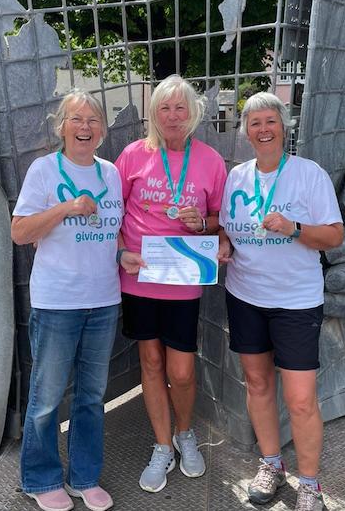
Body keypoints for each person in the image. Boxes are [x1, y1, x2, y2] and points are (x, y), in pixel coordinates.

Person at [217, 92, 344, 511]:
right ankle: (271, 464)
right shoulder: (236, 177)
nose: (263, 129)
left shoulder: (309, 175)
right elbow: (225, 229)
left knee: (302, 398)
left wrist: (293, 228)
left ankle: (309, 484)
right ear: (246, 132)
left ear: (284, 126)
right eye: (255, 123)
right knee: (256, 384)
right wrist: (221, 244)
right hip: (245, 295)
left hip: (295, 301)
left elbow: (333, 236)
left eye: (270, 121)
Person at [11, 89, 124, 511]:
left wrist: (123, 254)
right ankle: (41, 480)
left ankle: (83, 477)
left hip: (104, 300)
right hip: (57, 301)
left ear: (102, 131)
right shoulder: (43, 170)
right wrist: (66, 208)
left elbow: (111, 232)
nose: (85, 127)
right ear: (61, 127)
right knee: (46, 398)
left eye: (93, 121)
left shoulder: (110, 173)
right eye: (76, 119)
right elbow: (20, 232)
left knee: (92, 397)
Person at [115, 75, 227, 492]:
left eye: (181, 108)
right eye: (165, 108)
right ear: (154, 114)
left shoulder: (211, 161)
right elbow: (115, 214)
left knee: (180, 371)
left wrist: (203, 224)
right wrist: (120, 251)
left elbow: (220, 220)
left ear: (194, 113)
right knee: (151, 363)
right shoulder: (132, 155)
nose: (173, 116)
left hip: (182, 280)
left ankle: (185, 434)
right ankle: (162, 446)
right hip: (140, 278)